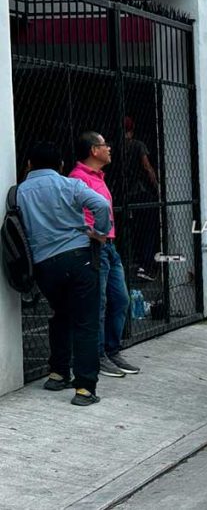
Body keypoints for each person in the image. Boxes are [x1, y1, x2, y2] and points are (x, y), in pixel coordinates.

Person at [18, 141, 111, 406]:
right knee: (85, 322)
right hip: (78, 258)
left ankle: (58, 374)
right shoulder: (68, 184)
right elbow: (101, 206)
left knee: (61, 316)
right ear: (60, 165)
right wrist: (100, 234)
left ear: (29, 165)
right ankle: (84, 388)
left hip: (44, 265)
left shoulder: (19, 193)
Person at [69, 132, 140, 378]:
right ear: (93, 150)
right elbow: (75, 215)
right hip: (95, 247)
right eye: (104, 145)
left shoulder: (98, 176)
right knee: (98, 303)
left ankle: (112, 349)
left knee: (120, 299)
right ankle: (98, 355)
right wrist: (94, 234)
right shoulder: (78, 178)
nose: (109, 148)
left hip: (109, 245)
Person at [121, 117, 160, 282]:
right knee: (149, 229)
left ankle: (130, 262)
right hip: (140, 191)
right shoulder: (137, 145)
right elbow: (146, 166)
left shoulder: (113, 147)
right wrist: (157, 187)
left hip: (123, 193)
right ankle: (146, 265)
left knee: (131, 229)